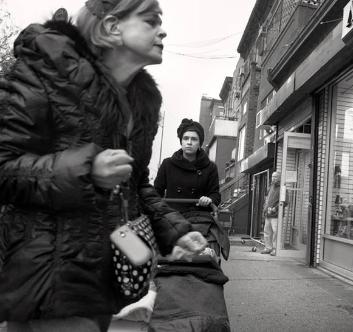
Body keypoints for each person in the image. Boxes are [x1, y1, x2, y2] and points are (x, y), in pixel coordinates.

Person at [0, 1, 207, 331]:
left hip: (106, 285)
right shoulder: (47, 69)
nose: (162, 30)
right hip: (50, 287)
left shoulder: (142, 102)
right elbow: (5, 166)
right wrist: (86, 170)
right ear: (112, 27)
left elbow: (135, 184)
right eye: (151, 21)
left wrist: (176, 231)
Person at [154, 118, 221, 213]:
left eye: (194, 139)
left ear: (200, 143)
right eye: (185, 138)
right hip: (172, 216)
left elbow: (215, 194)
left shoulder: (210, 167)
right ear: (181, 141)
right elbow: (156, 192)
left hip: (199, 217)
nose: (189, 142)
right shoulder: (167, 164)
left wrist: (209, 200)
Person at [261, 171, 282, 256]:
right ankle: (268, 248)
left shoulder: (282, 188)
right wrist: (264, 209)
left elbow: (285, 202)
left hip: (276, 215)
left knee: (276, 233)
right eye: (273, 177)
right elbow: (267, 200)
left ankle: (275, 249)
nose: (273, 178)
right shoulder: (270, 187)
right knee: (267, 232)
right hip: (268, 214)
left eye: (276, 177)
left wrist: (275, 209)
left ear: (280, 178)